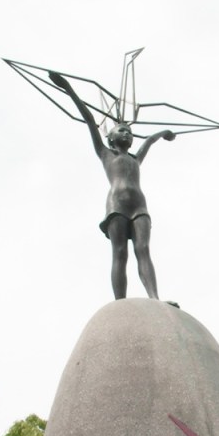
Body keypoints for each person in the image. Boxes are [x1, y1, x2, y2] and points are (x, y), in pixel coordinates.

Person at [49, 71, 175, 300]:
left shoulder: (135, 159)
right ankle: (120, 304)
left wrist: (163, 133)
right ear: (110, 137)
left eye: (129, 131)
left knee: (143, 250)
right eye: (121, 130)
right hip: (117, 205)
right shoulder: (105, 153)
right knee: (119, 253)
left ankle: (155, 299)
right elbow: (88, 118)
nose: (127, 133)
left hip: (139, 206)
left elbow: (149, 141)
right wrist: (68, 89)